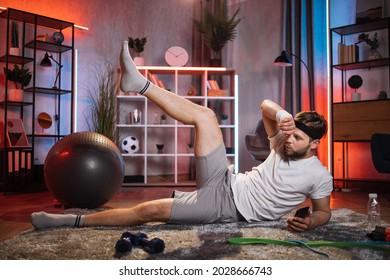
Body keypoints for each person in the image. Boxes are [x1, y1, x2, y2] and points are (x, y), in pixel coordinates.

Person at [30, 41, 333, 233]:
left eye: (297, 139)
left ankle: (67, 220)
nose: (289, 141)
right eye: (289, 135)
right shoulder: (283, 139)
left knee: (149, 211)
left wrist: (312, 221)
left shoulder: (319, 176)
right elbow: (266, 107)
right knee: (206, 115)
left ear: (315, 144)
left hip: (226, 209)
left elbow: (323, 213)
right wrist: (282, 116)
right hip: (227, 179)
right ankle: (139, 83)